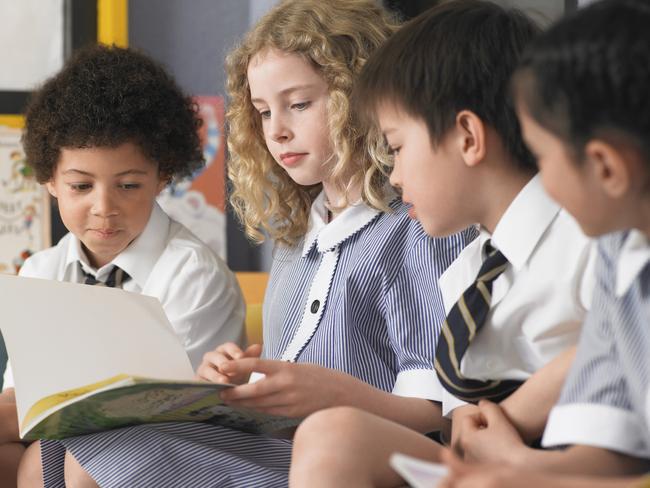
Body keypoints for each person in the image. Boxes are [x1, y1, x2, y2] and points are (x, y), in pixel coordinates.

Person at [21, 1, 474, 487]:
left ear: (360, 96)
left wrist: (329, 394)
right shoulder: (298, 240)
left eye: (298, 104)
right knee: (88, 443)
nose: (277, 129)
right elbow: (281, 391)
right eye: (262, 112)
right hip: (284, 450)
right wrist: (237, 382)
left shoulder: (418, 226)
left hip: (375, 454)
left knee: (114, 450)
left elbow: (439, 413)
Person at [288, 2, 596, 486]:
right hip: (482, 466)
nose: (394, 174)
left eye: (397, 147)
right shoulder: (467, 271)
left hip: (568, 465)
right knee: (335, 434)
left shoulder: (589, 234)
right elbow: (461, 432)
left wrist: (516, 421)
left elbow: (623, 340)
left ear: (469, 138)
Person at [0, 44, 245, 488]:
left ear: (163, 174)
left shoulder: (194, 275)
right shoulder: (39, 272)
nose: (104, 208)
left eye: (128, 185)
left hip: (172, 451)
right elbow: (22, 397)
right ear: (50, 180)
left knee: (73, 460)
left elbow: (160, 409)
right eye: (80, 186)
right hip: (66, 442)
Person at [439, 0, 650, 485]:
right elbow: (609, 452)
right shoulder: (618, 253)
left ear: (605, 168)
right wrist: (517, 467)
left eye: (540, 157)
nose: (540, 185)